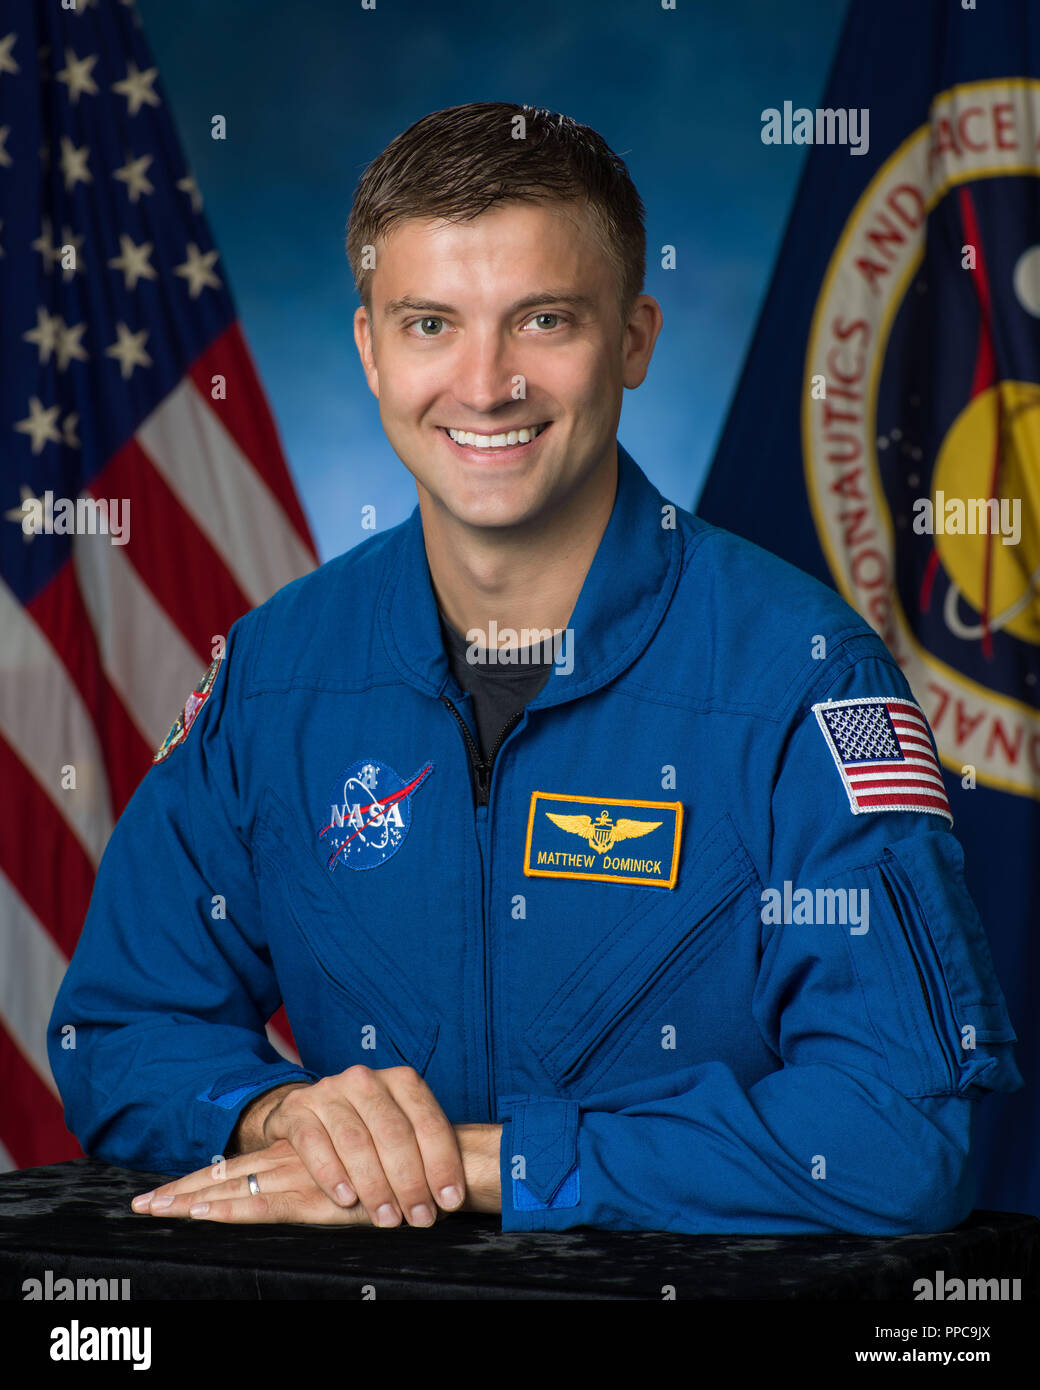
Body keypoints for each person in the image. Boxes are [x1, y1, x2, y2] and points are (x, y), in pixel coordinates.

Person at [48, 101, 1022, 1236]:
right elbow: (117, 1029)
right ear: (368, 348)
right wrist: (283, 1119)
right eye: (428, 325)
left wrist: (485, 1163)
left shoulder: (802, 683)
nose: (484, 383)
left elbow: (899, 1126)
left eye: (542, 320)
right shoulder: (279, 673)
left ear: (633, 338)